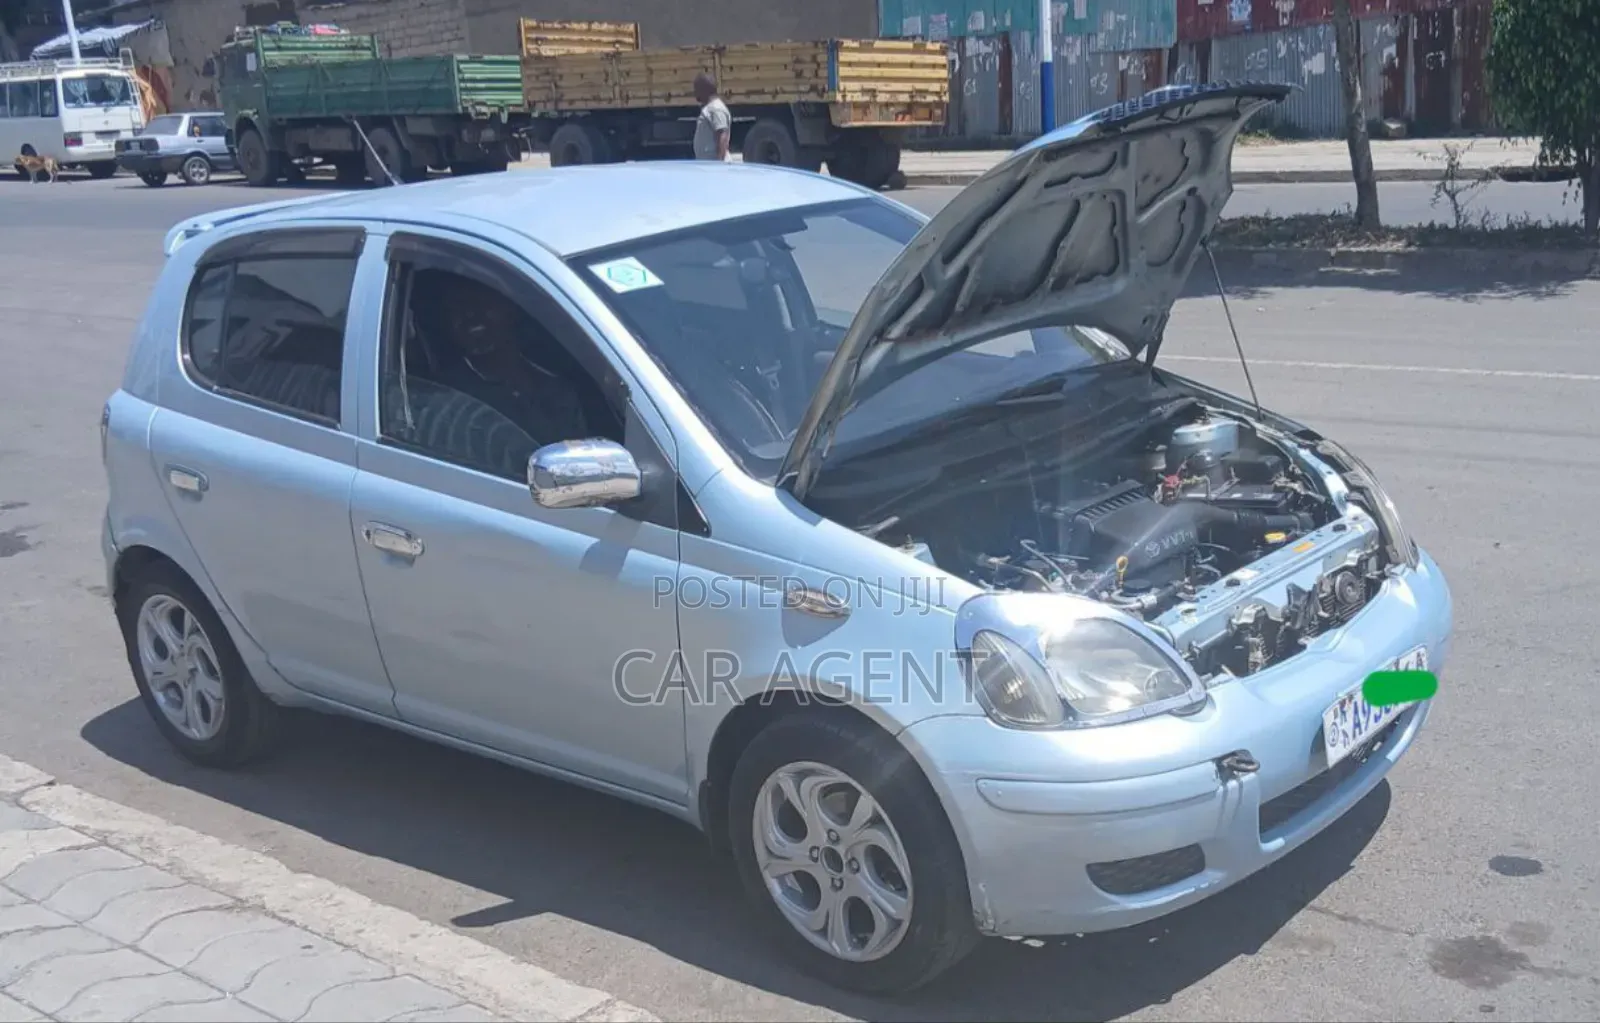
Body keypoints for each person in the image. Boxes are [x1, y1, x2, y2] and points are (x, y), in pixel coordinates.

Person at [692, 72, 731, 161]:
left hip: (714, 165)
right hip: (708, 164)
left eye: (697, 89)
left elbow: (722, 135)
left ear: (704, 89)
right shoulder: (710, 108)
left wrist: (719, 164)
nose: (695, 92)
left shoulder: (716, 108)